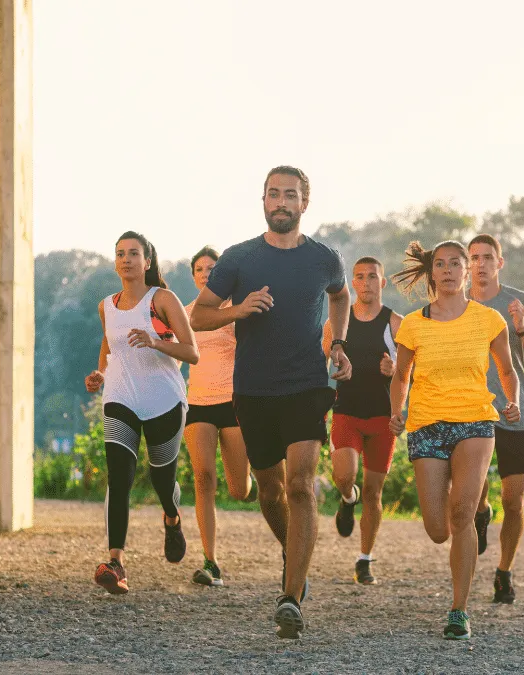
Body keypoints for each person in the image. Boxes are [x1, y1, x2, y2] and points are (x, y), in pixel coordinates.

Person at [190, 166, 351, 639]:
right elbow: (199, 316)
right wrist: (239, 310)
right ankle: (294, 552)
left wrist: (338, 344)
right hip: (253, 390)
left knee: (300, 486)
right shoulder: (239, 258)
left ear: (305, 203)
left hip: (306, 386)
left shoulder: (324, 258)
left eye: (291, 195)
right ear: (263, 200)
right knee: (269, 492)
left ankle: (291, 595)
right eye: (274, 194)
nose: (282, 202)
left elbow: (341, 297)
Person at [388, 240, 520, 640]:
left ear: (467, 271)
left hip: (475, 421)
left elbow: (507, 369)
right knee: (437, 529)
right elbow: (401, 376)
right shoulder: (413, 324)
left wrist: (512, 401)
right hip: (426, 424)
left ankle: (459, 610)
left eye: (455, 264)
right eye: (440, 264)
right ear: (432, 273)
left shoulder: (489, 319)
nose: (448, 270)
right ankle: (478, 506)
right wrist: (397, 411)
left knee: (460, 514)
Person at [84, 231, 199, 595]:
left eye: (133, 253)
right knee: (119, 477)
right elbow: (109, 345)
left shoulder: (162, 300)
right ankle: (115, 563)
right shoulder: (107, 306)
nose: (126, 259)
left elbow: (192, 352)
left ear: (147, 261)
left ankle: (172, 517)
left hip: (163, 400)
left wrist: (155, 342)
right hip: (120, 398)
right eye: (120, 253)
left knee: (162, 480)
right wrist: (101, 373)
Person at [467, 234, 524, 605]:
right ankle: (481, 511)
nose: (481, 264)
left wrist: (522, 328)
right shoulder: (457, 304)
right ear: (467, 264)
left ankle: (504, 571)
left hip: (514, 412)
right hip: (471, 410)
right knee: (473, 490)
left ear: (499, 263)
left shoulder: (521, 303)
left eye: (488, 257)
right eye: (474, 258)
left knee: (514, 501)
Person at [321, 257, 402, 585]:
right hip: (347, 411)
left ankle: (364, 559)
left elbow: (410, 372)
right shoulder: (336, 323)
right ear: (352, 283)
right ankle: (346, 498)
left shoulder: (395, 323)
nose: (366, 282)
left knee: (373, 492)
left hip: (383, 416)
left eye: (372, 276)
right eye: (359, 277)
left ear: (382, 282)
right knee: (345, 476)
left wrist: (394, 370)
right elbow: (320, 364)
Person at [182, 246, 257, 588]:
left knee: (238, 489)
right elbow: (174, 356)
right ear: (193, 276)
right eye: (200, 269)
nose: (206, 274)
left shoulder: (237, 311)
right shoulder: (185, 314)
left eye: (212, 268)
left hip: (233, 402)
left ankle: (250, 485)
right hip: (197, 403)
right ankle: (210, 561)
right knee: (203, 478)